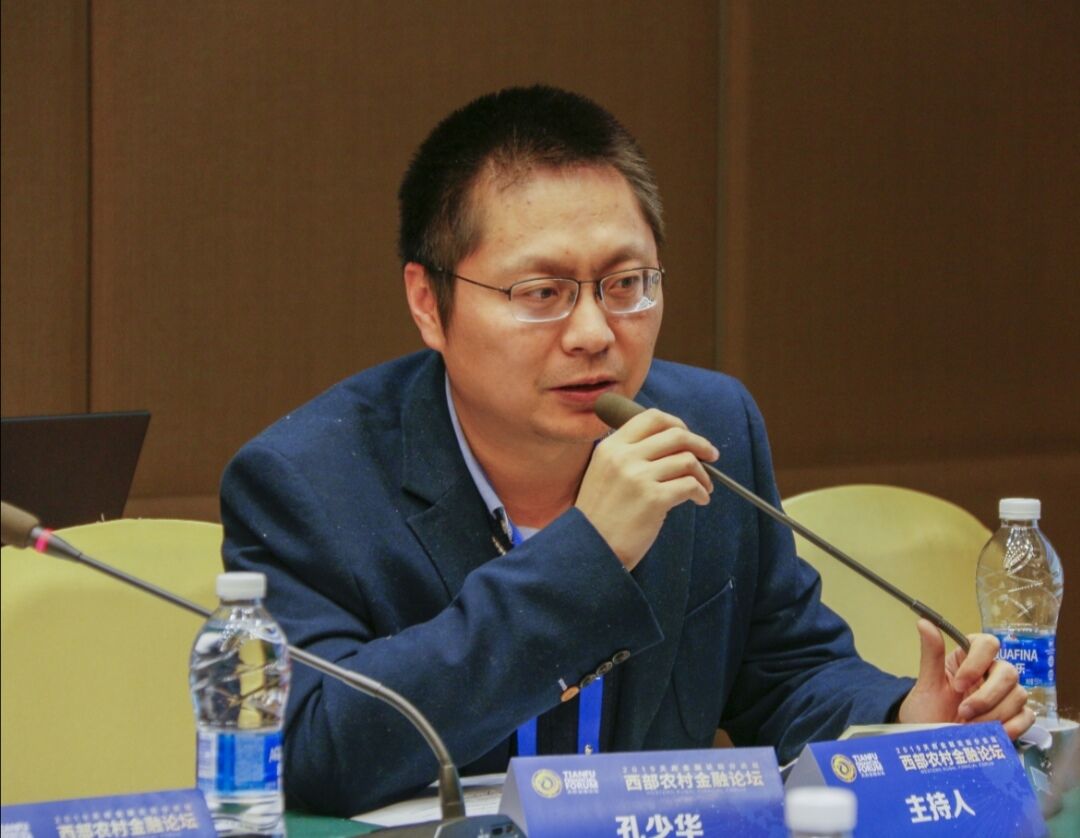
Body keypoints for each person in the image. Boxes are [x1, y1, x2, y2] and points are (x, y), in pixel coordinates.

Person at [221, 85, 1032, 816]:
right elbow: (312, 751)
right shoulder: (308, 480)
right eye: (542, 293)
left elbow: (786, 674)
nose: (593, 333)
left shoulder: (710, 424)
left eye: (626, 284)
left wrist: (902, 719)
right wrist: (588, 555)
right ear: (428, 304)